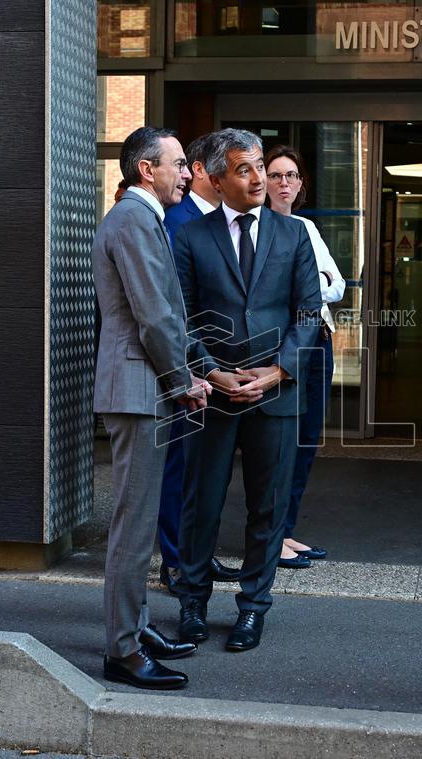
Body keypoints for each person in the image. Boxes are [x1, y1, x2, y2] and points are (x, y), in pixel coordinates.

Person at [172, 128, 322, 652]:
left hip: (277, 393)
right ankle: (192, 604)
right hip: (212, 394)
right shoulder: (191, 237)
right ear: (216, 179)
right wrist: (212, 372)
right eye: (245, 169)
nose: (260, 177)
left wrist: (278, 373)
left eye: (261, 166)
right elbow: (182, 316)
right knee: (201, 504)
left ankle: (253, 608)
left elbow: (308, 312)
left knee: (268, 507)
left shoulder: (295, 234)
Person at [93, 127, 211, 690]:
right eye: (180, 164)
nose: (187, 173)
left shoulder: (143, 218)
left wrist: (193, 370)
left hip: (144, 388)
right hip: (139, 390)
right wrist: (183, 379)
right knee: (134, 526)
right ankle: (122, 650)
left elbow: (167, 311)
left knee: (136, 522)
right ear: (147, 169)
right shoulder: (134, 220)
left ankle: (135, 629)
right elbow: (154, 316)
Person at [156, 132, 241, 594]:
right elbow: (174, 303)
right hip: (189, 362)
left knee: (203, 470)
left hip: (218, 364)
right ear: (211, 174)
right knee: (180, 466)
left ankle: (198, 557)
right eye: (232, 169)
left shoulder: (220, 221)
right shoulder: (177, 221)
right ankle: (176, 561)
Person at [264, 145, 344, 569]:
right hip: (289, 344)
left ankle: (286, 530)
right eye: (275, 175)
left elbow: (338, 285)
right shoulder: (260, 230)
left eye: (291, 176)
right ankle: (270, 538)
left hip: (320, 342)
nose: (284, 183)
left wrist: (313, 283)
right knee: (282, 443)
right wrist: (314, 283)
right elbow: (296, 290)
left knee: (308, 439)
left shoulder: (305, 228)